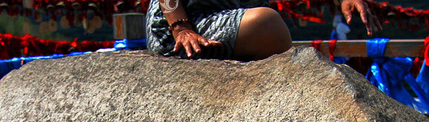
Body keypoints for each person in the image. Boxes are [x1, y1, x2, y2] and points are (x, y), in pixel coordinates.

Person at [147, 0, 380, 61]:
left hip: (230, 13)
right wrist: (181, 28)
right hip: (184, 26)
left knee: (267, 23)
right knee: (268, 24)